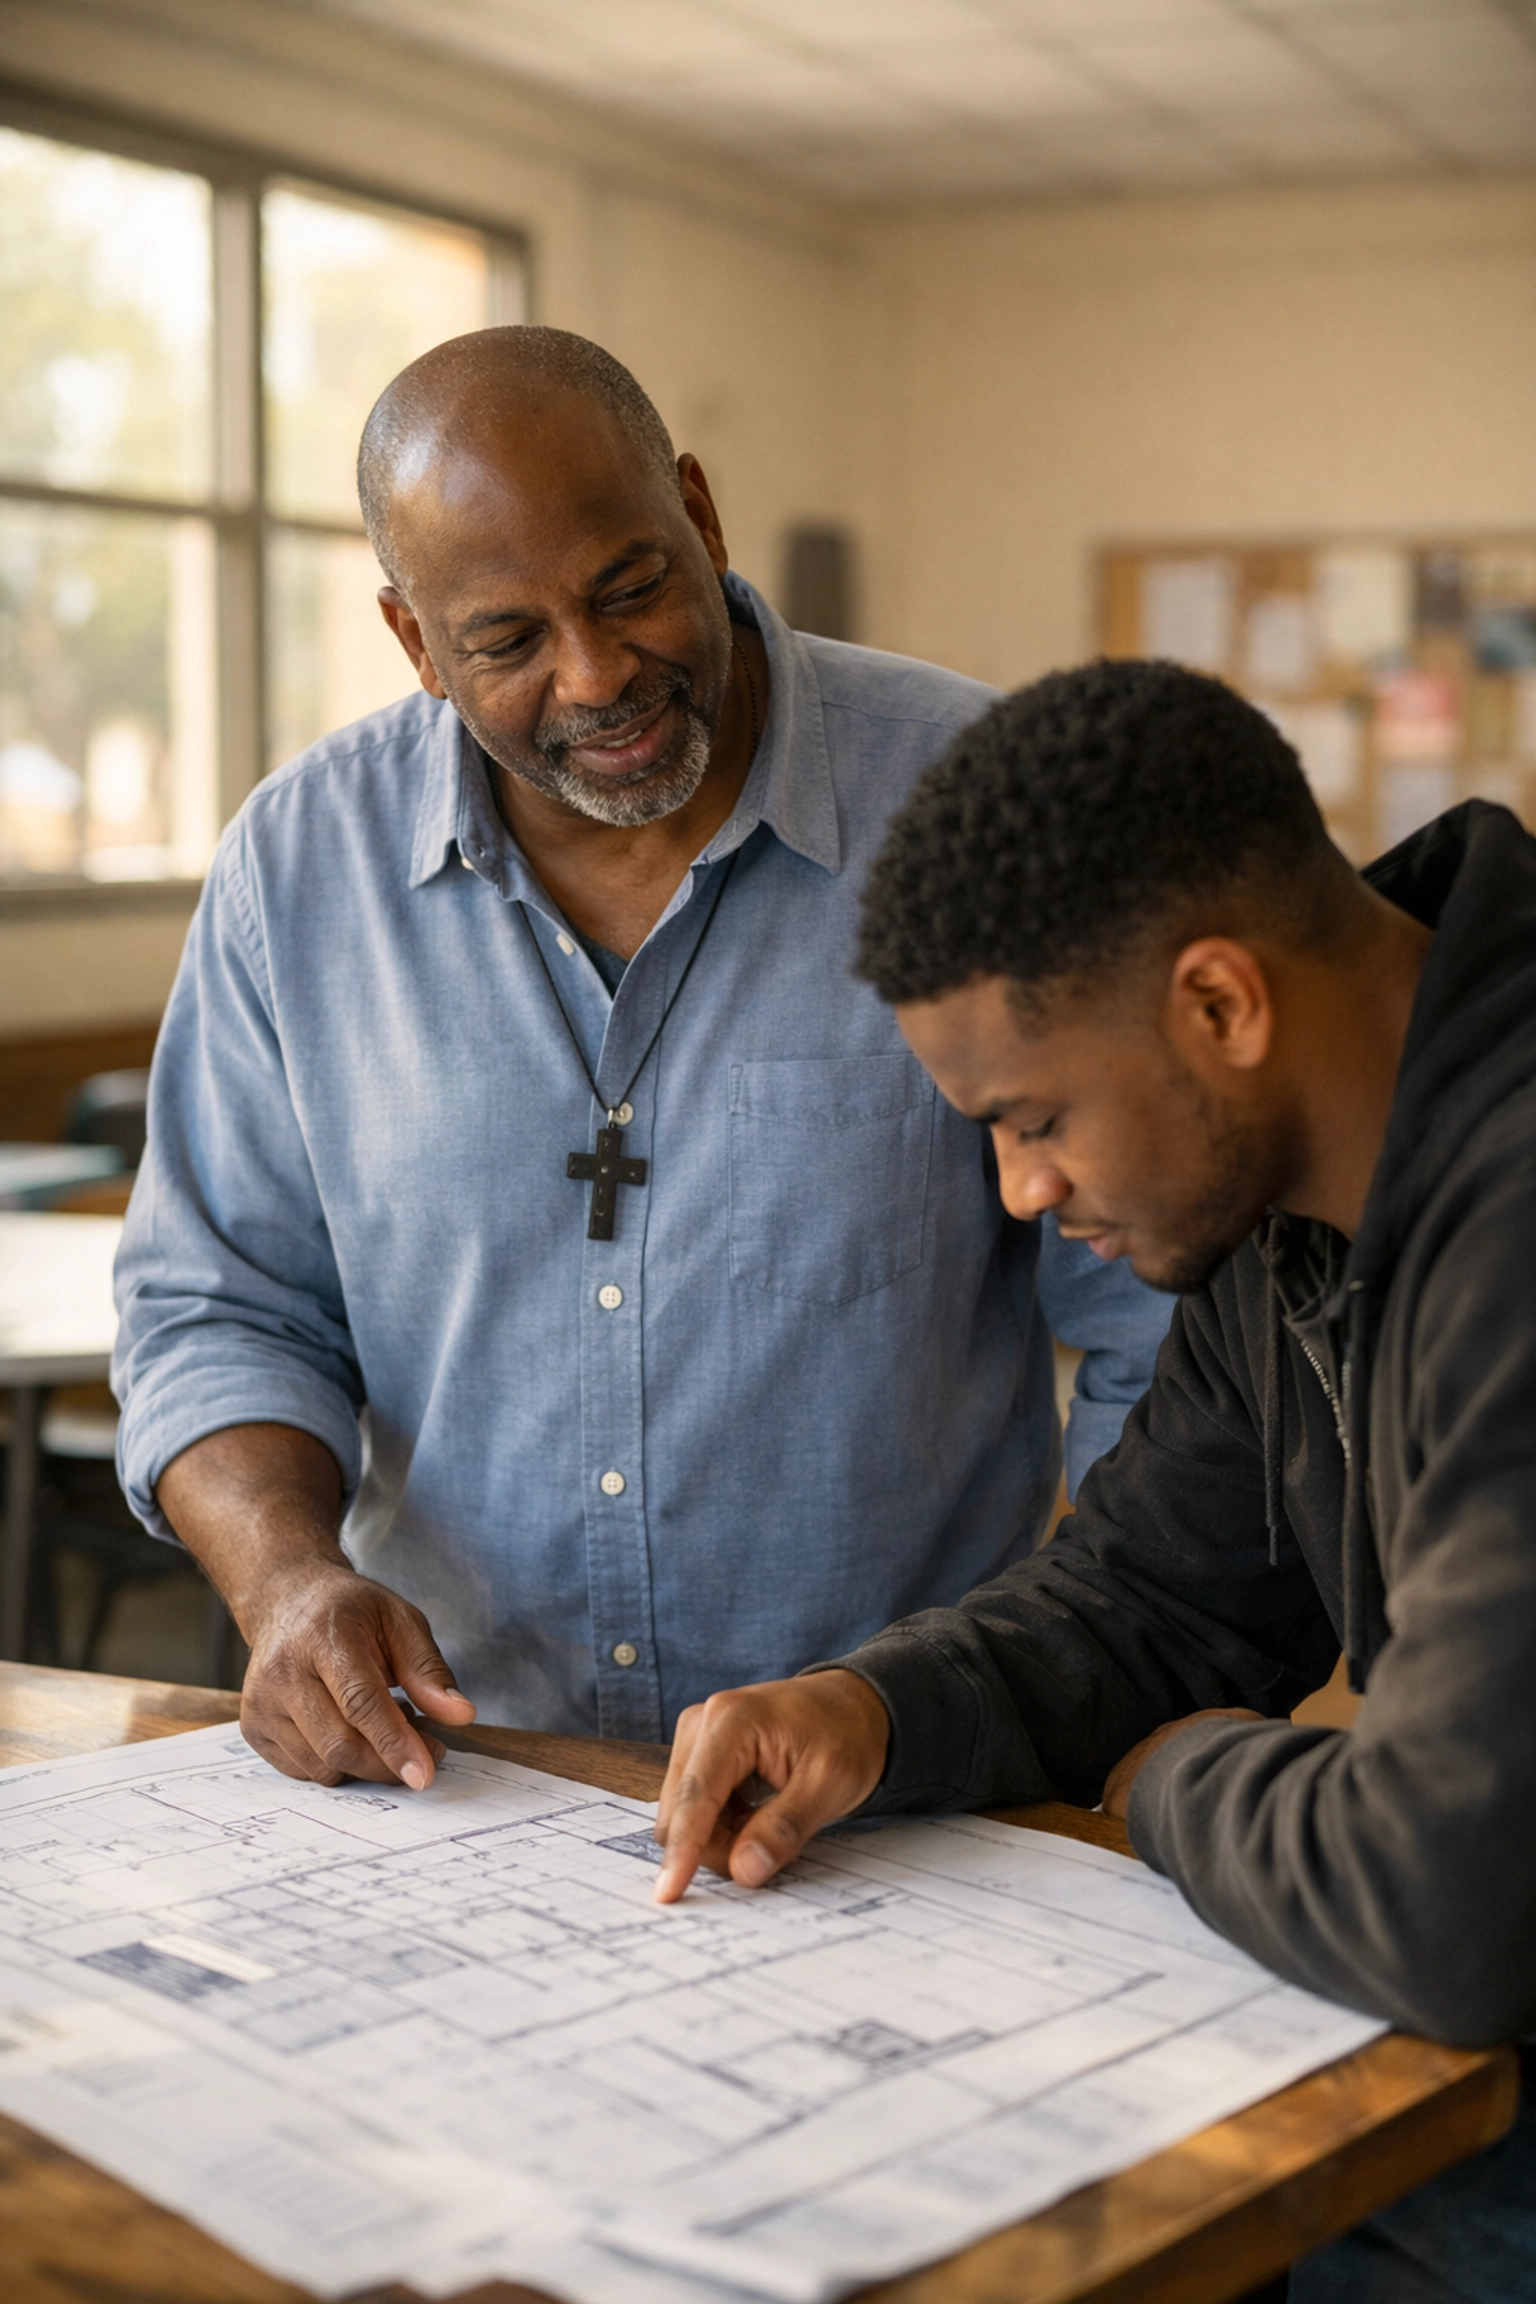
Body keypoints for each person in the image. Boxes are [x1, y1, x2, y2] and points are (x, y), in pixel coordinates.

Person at [112, 328, 1169, 1790]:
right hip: (467, 1782)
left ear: (700, 514)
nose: (599, 675)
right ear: (415, 642)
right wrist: (287, 1585)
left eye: (632, 589)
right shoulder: (298, 872)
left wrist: (1079, 1678)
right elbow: (216, 1308)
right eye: (507, 641)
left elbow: (1160, 1315)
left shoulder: (981, 802)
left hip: (912, 1787)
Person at [651, 659, 1536, 2302]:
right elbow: (1152, 1596)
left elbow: (1444, 1898)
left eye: (1034, 1115)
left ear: (1220, 1006)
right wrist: (876, 1708)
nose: (1020, 1188)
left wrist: (1185, 1776)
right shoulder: (1288, 1211)